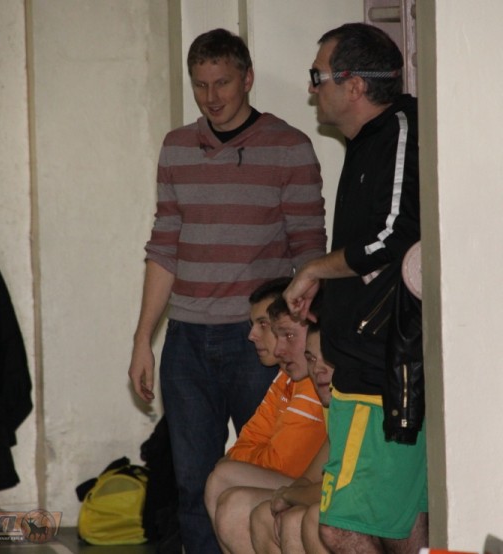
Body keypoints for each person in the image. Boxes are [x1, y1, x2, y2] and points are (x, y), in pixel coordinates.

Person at [128, 27, 327, 553]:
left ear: (248, 79)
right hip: (187, 340)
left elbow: (310, 253)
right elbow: (163, 248)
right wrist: (143, 339)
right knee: (192, 485)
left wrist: (299, 339)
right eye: (200, 85)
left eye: (222, 83)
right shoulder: (177, 148)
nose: (211, 97)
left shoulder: (289, 147)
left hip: (258, 342)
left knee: (272, 478)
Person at [283, 23, 427, 553]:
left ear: (355, 85)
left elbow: (395, 235)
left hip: (382, 369)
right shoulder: (367, 141)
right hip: (359, 366)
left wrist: (315, 270)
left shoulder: (399, 131)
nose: (311, 88)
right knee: (403, 528)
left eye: (318, 76)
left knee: (340, 528)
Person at [205, 279, 326, 553]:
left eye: (264, 325)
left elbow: (282, 463)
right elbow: (248, 440)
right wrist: (243, 460)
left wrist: (241, 462)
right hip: (303, 484)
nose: (252, 335)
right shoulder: (286, 377)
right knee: (224, 480)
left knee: (224, 479)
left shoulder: (315, 380)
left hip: (311, 486)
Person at [249, 319, 334, 554]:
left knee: (307, 517)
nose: (318, 369)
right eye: (311, 359)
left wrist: (289, 496)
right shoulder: (336, 409)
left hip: (392, 516)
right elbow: (309, 478)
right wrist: (290, 496)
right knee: (265, 514)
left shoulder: (364, 406)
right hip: (321, 494)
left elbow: (336, 490)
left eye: (328, 359)